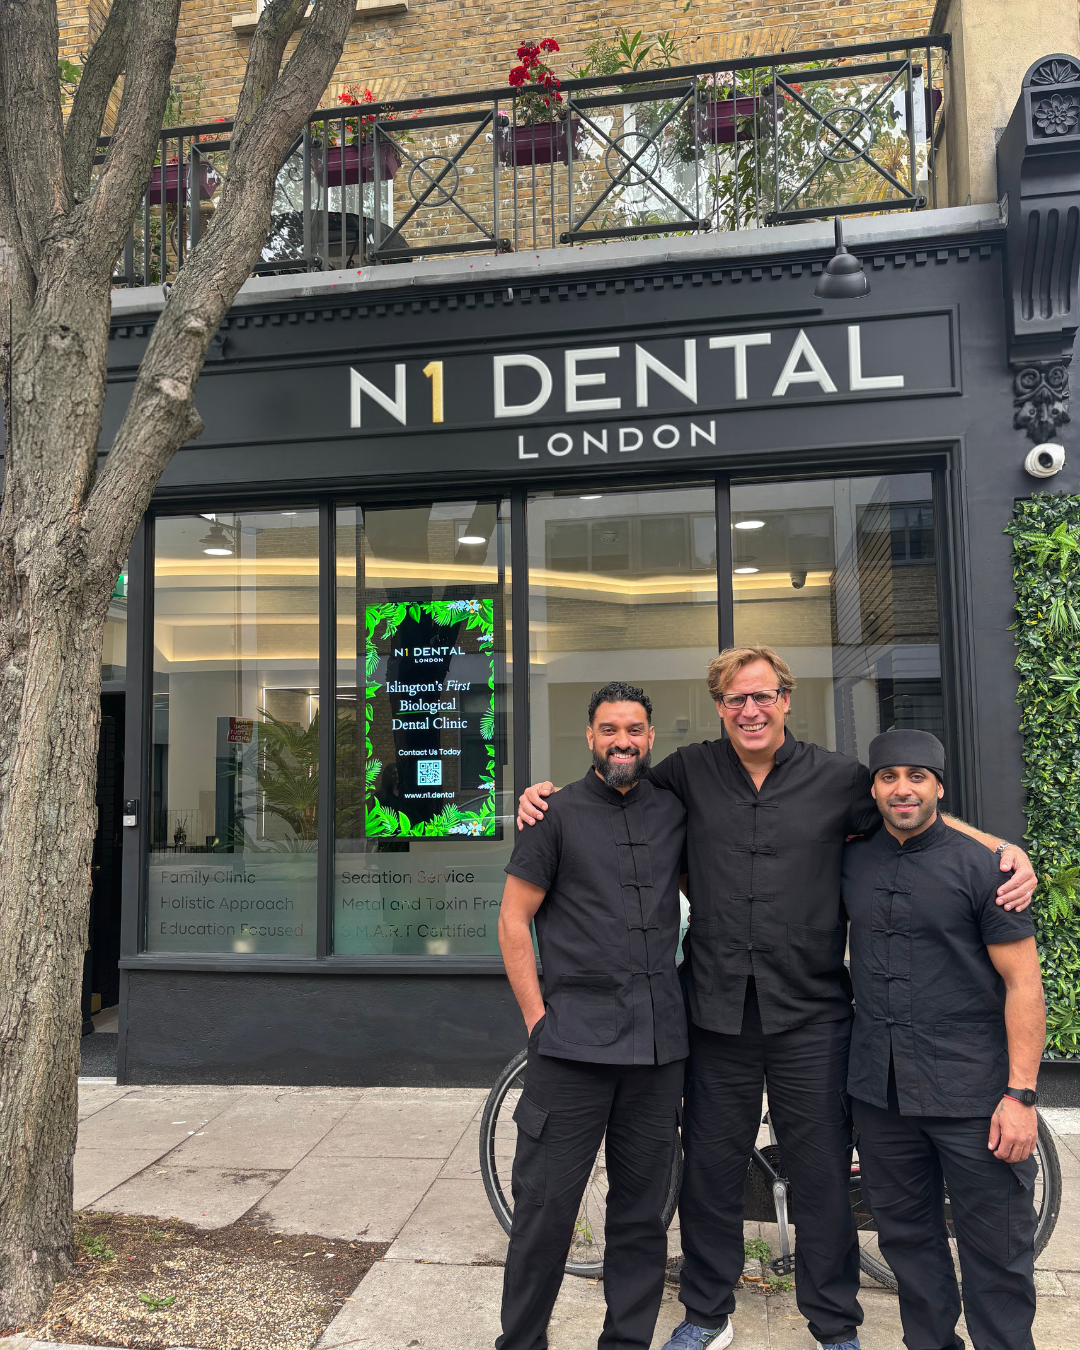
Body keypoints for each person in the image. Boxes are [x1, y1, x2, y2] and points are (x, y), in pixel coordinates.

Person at [517, 646, 1037, 1350]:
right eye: (736, 698)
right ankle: (706, 1312)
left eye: (763, 695)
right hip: (713, 1012)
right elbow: (614, 785)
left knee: (821, 1176)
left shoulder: (839, 778)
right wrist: (541, 797)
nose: (751, 709)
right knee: (710, 1173)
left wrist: (1001, 847)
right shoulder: (687, 773)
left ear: (786, 700)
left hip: (812, 1015)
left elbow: (914, 812)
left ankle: (834, 1322)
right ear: (720, 707)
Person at [496, 681, 688, 1350]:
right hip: (570, 1049)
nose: (622, 741)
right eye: (609, 729)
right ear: (590, 737)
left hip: (657, 1051)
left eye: (634, 729)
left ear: (650, 737)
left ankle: (626, 1342)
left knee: (641, 1218)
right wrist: (536, 1022)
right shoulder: (552, 814)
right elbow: (513, 922)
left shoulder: (676, 811)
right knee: (544, 1213)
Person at [843, 729, 1043, 1350]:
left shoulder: (988, 869)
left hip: (973, 1093)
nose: (902, 789)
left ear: (939, 787)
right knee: (907, 1244)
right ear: (873, 788)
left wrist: (1022, 1095)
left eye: (917, 777)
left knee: (997, 1249)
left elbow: (1024, 986)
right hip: (881, 1094)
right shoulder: (851, 856)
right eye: (888, 777)